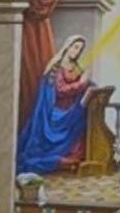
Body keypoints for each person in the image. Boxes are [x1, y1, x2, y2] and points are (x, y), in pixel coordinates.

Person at [17, 35, 95, 175]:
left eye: (80, 49)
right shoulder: (56, 67)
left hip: (70, 110)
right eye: (75, 47)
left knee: (81, 118)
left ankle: (72, 158)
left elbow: (84, 84)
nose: (77, 51)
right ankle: (62, 160)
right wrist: (82, 83)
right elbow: (60, 90)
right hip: (55, 113)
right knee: (78, 118)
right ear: (68, 46)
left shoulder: (76, 67)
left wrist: (90, 84)